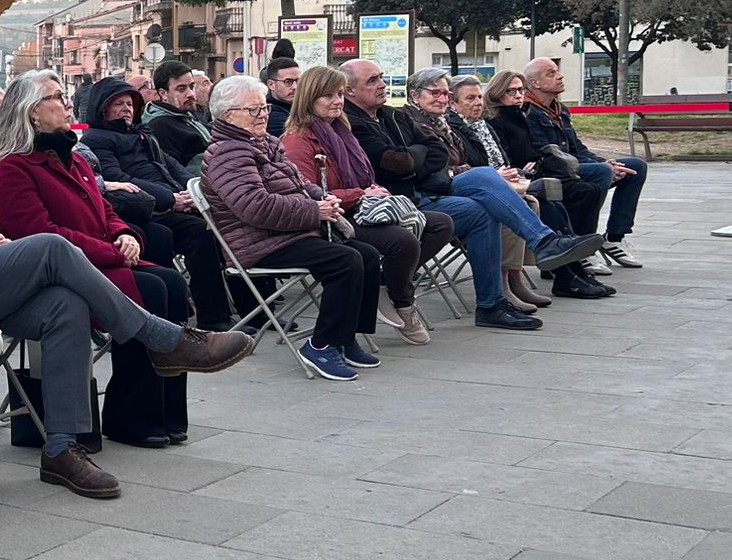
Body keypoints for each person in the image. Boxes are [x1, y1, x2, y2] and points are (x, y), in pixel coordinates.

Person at [0, 52, 248, 495]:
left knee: (65, 305)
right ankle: (162, 339)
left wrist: (1, 251)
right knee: (52, 246)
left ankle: (62, 447)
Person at [0, 72, 206, 445]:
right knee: (152, 290)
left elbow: (106, 210)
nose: (67, 102)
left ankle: (167, 416)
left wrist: (124, 234)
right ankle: (130, 417)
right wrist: (112, 250)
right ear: (33, 113)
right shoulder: (14, 168)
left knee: (170, 282)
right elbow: (39, 235)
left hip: (101, 260)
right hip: (61, 275)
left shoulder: (73, 159)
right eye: (56, 97)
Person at [343, 61, 590, 329]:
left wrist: (414, 159)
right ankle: (493, 302)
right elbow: (394, 162)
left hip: (427, 186)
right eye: (372, 81)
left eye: (381, 77)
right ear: (349, 90)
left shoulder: (392, 115)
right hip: (396, 201)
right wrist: (416, 157)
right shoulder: (353, 123)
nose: (382, 84)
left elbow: (435, 152)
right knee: (483, 209)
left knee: (484, 176)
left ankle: (542, 245)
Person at [199, 75, 385, 380]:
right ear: (228, 115)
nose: (263, 115)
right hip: (259, 244)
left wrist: (323, 199)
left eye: (264, 109)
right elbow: (254, 207)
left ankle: (344, 337)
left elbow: (298, 183)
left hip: (286, 233)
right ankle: (321, 346)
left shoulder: (263, 142)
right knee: (345, 261)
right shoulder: (228, 152)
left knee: (365, 254)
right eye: (254, 110)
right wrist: (314, 211)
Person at [278, 65, 454, 345]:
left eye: (339, 95)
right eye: (328, 96)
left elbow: (428, 154)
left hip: (361, 209)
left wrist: (367, 191)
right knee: (403, 241)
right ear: (309, 99)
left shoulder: (341, 129)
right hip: (333, 219)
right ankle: (403, 302)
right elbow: (307, 194)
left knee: (440, 223)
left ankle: (389, 281)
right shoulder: (298, 140)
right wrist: (359, 193)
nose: (337, 102)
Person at [77, 79, 234, 331]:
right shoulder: (98, 139)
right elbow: (120, 178)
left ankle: (229, 308)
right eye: (118, 104)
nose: (126, 109)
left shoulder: (142, 132)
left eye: (130, 103)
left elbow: (169, 164)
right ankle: (212, 317)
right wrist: (171, 199)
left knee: (218, 225)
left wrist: (192, 189)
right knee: (197, 232)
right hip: (141, 207)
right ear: (102, 108)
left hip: (170, 199)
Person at [483, 71, 614, 300]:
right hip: (516, 180)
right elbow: (504, 158)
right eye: (511, 91)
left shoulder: (522, 115)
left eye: (521, 90)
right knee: (552, 203)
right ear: (497, 93)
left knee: (585, 191)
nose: (518, 95)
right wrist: (523, 167)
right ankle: (566, 273)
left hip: (533, 175)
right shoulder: (495, 119)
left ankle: (575, 263)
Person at [518, 58, 649, 271]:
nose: (560, 76)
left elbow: (577, 148)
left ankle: (614, 237)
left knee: (636, 166)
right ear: (535, 83)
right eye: (551, 73)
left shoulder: (560, 110)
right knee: (600, 173)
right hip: (551, 170)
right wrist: (603, 168)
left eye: (558, 71)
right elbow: (548, 154)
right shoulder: (528, 112)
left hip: (574, 164)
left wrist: (606, 162)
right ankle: (583, 242)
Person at [448, 74, 558, 312]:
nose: (478, 102)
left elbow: (503, 159)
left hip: (497, 182)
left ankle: (515, 277)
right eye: (470, 98)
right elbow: (472, 166)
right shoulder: (454, 127)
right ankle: (505, 284)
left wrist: (512, 172)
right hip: (469, 189)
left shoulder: (482, 125)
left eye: (479, 97)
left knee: (532, 201)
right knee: (507, 207)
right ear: (453, 103)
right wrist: (498, 175)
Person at [145, 60, 211, 172]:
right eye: (181, 89)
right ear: (163, 94)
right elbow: (172, 171)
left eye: (192, 86)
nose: (190, 94)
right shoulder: (160, 126)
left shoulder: (187, 115)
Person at [263, 58, 302, 136]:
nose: (295, 87)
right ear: (271, 85)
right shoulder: (271, 115)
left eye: (298, 81)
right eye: (288, 82)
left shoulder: (297, 106)